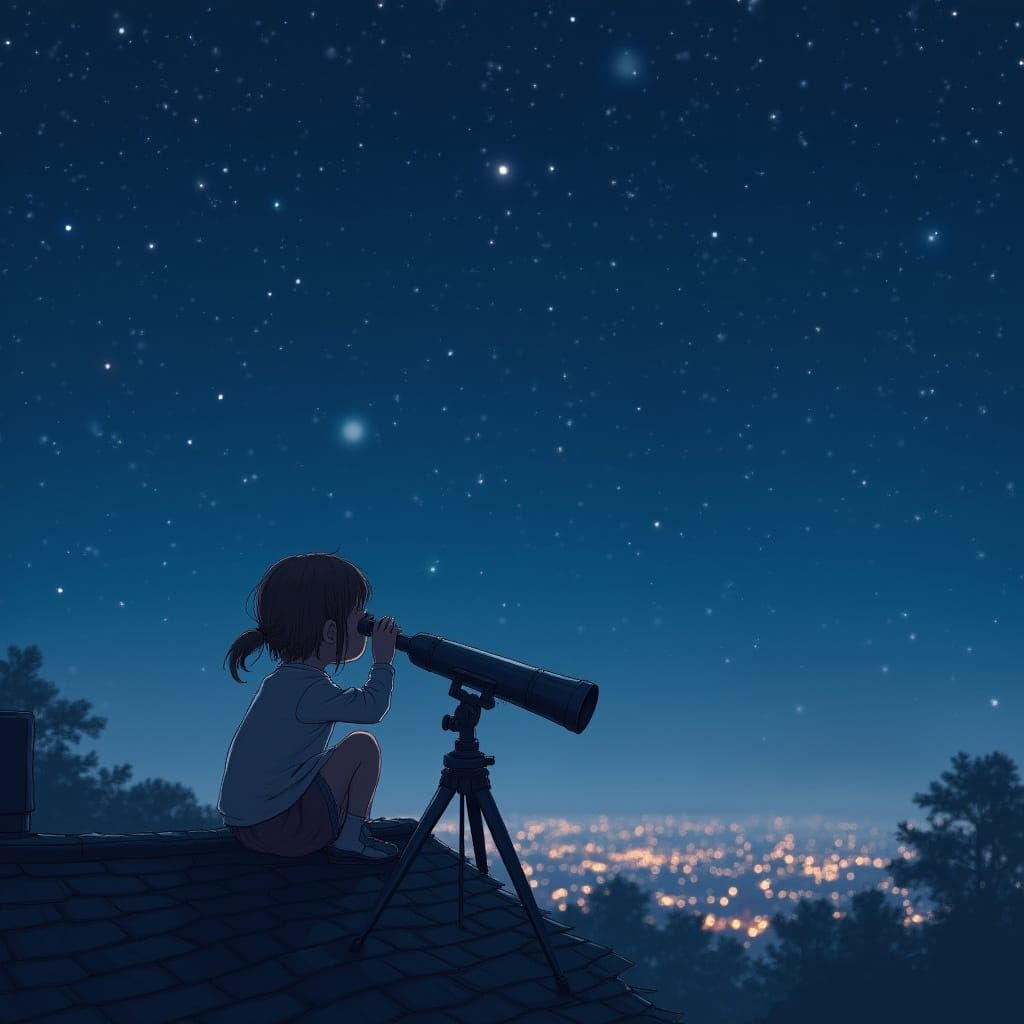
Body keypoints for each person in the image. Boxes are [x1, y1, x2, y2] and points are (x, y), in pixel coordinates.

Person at [217, 551, 401, 863]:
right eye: (360, 620)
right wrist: (383, 662)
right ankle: (352, 837)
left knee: (328, 758)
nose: (366, 628)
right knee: (362, 747)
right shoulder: (309, 690)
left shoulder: (281, 683)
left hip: (246, 823)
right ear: (331, 632)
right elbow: (372, 709)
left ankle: (347, 830)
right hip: (278, 826)